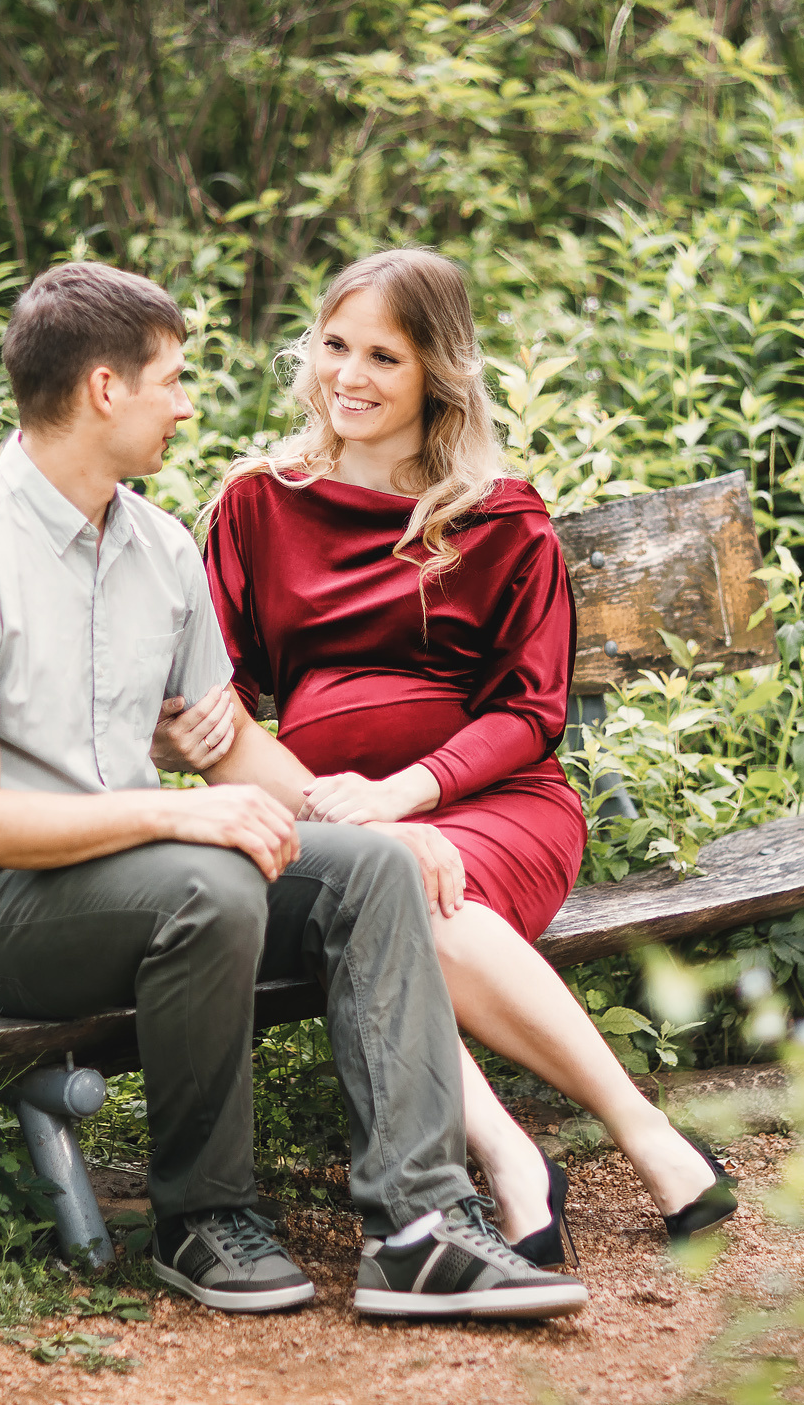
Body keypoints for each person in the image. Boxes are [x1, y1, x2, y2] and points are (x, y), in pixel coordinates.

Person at [0, 259, 587, 1321]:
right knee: (213, 882)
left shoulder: (158, 548)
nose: (189, 403)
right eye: (171, 379)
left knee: (373, 872)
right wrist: (178, 811)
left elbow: (235, 751)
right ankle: (202, 1216)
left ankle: (422, 1226)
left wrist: (372, 820)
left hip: (130, 875)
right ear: (105, 389)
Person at [157, 248, 736, 1265]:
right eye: (335, 346)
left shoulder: (500, 517)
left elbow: (530, 710)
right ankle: (521, 1159)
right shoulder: (257, 504)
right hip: (325, 810)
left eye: (383, 355)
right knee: (385, 896)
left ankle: (630, 1132)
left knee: (422, 901)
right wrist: (190, 731)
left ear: (438, 372)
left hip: (497, 803)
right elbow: (224, 690)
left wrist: (400, 795)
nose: (349, 376)